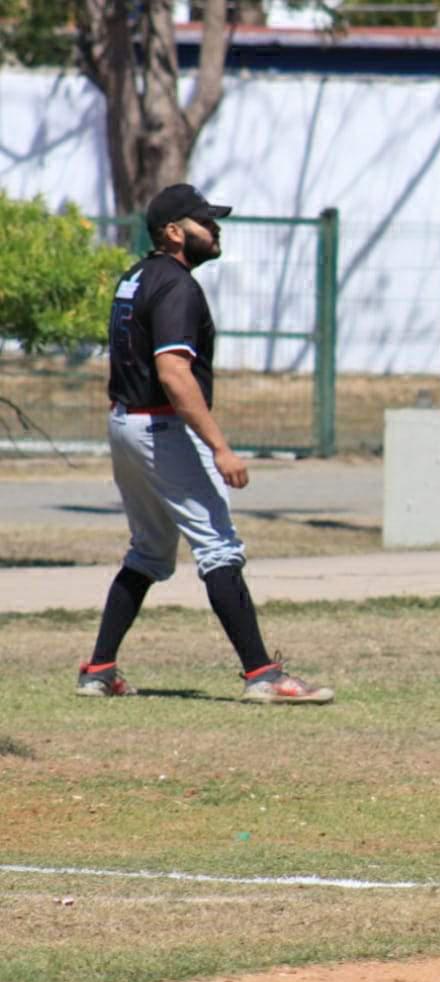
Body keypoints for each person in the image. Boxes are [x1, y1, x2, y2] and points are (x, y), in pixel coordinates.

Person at [76, 183, 334, 705]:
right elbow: (174, 373)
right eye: (204, 222)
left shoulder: (137, 277)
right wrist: (219, 446)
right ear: (174, 232)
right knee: (218, 547)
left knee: (149, 552)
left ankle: (99, 669)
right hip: (161, 428)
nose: (215, 230)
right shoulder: (177, 286)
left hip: (126, 423)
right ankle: (262, 675)